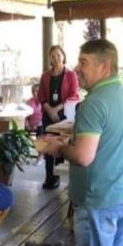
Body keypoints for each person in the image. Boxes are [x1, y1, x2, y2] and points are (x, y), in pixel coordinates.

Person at [42, 40, 123, 246]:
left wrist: (60, 147)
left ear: (104, 67)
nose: (77, 67)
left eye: (84, 62)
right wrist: (73, 140)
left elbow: (84, 157)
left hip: (99, 198)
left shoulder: (94, 103)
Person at [37, 44, 79, 189]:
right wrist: (49, 109)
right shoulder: (45, 76)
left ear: (63, 56)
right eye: (53, 56)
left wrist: (57, 109)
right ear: (50, 58)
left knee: (65, 144)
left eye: (58, 55)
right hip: (48, 113)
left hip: (65, 114)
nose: (56, 58)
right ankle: (50, 177)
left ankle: (67, 178)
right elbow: (41, 95)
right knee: (48, 144)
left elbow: (74, 95)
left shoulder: (71, 75)